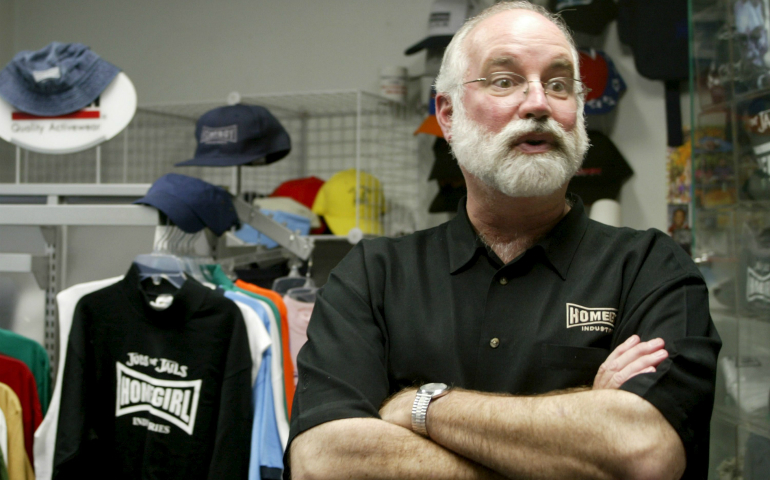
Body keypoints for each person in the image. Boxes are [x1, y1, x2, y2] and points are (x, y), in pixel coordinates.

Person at [286, 3, 721, 479]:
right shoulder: (372, 276)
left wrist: (421, 406)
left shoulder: (651, 268)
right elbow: (322, 462)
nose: (538, 102)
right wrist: (581, 429)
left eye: (558, 84)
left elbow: (643, 453)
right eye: (504, 80)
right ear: (447, 115)